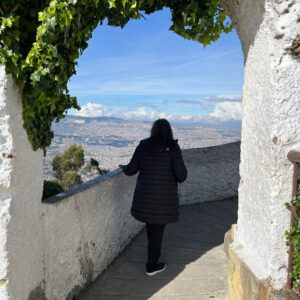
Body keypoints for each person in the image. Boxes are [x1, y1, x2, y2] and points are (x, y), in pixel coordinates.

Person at [119, 118, 188, 276]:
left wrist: (123, 167)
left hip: (145, 199)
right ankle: (151, 266)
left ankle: (153, 259)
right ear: (169, 131)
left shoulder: (144, 145)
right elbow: (182, 176)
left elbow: (131, 170)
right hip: (164, 202)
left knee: (153, 229)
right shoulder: (173, 147)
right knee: (156, 231)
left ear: (153, 130)